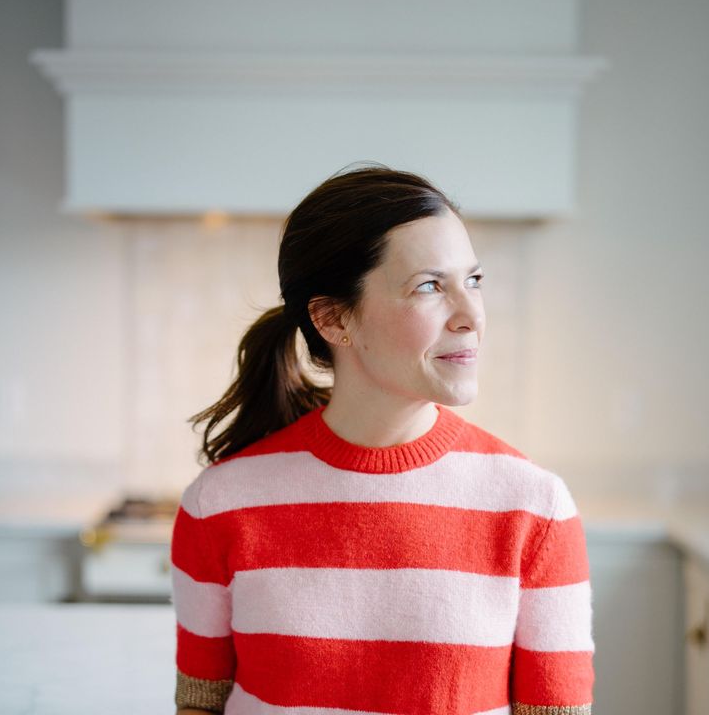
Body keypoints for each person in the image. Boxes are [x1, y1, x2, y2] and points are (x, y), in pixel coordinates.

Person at [170, 162, 595, 715]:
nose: (471, 316)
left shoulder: (534, 509)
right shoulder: (220, 505)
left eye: (474, 280)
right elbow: (199, 705)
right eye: (429, 286)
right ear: (332, 319)